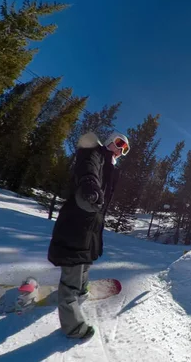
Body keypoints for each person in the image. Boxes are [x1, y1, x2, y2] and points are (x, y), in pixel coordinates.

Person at [47, 130, 129, 340]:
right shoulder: (95, 153)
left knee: (85, 262)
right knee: (73, 268)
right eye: (119, 143)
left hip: (91, 225)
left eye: (125, 149)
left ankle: (81, 293)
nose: (121, 149)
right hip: (76, 221)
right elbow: (88, 167)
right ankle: (73, 327)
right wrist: (90, 184)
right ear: (110, 140)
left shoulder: (110, 167)